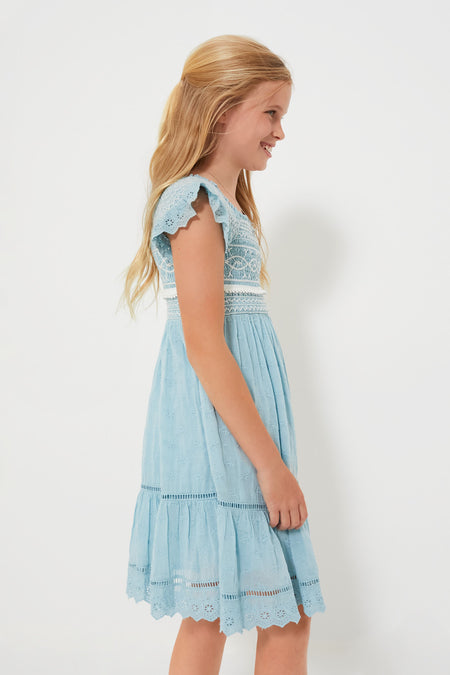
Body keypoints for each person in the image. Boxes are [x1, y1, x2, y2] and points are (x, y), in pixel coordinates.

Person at [119, 34, 326, 675]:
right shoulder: (196, 204)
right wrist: (270, 466)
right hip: (222, 442)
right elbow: (205, 346)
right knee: (272, 617)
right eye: (271, 113)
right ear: (222, 112)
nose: (280, 131)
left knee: (229, 616)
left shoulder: (227, 204)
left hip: (236, 433)